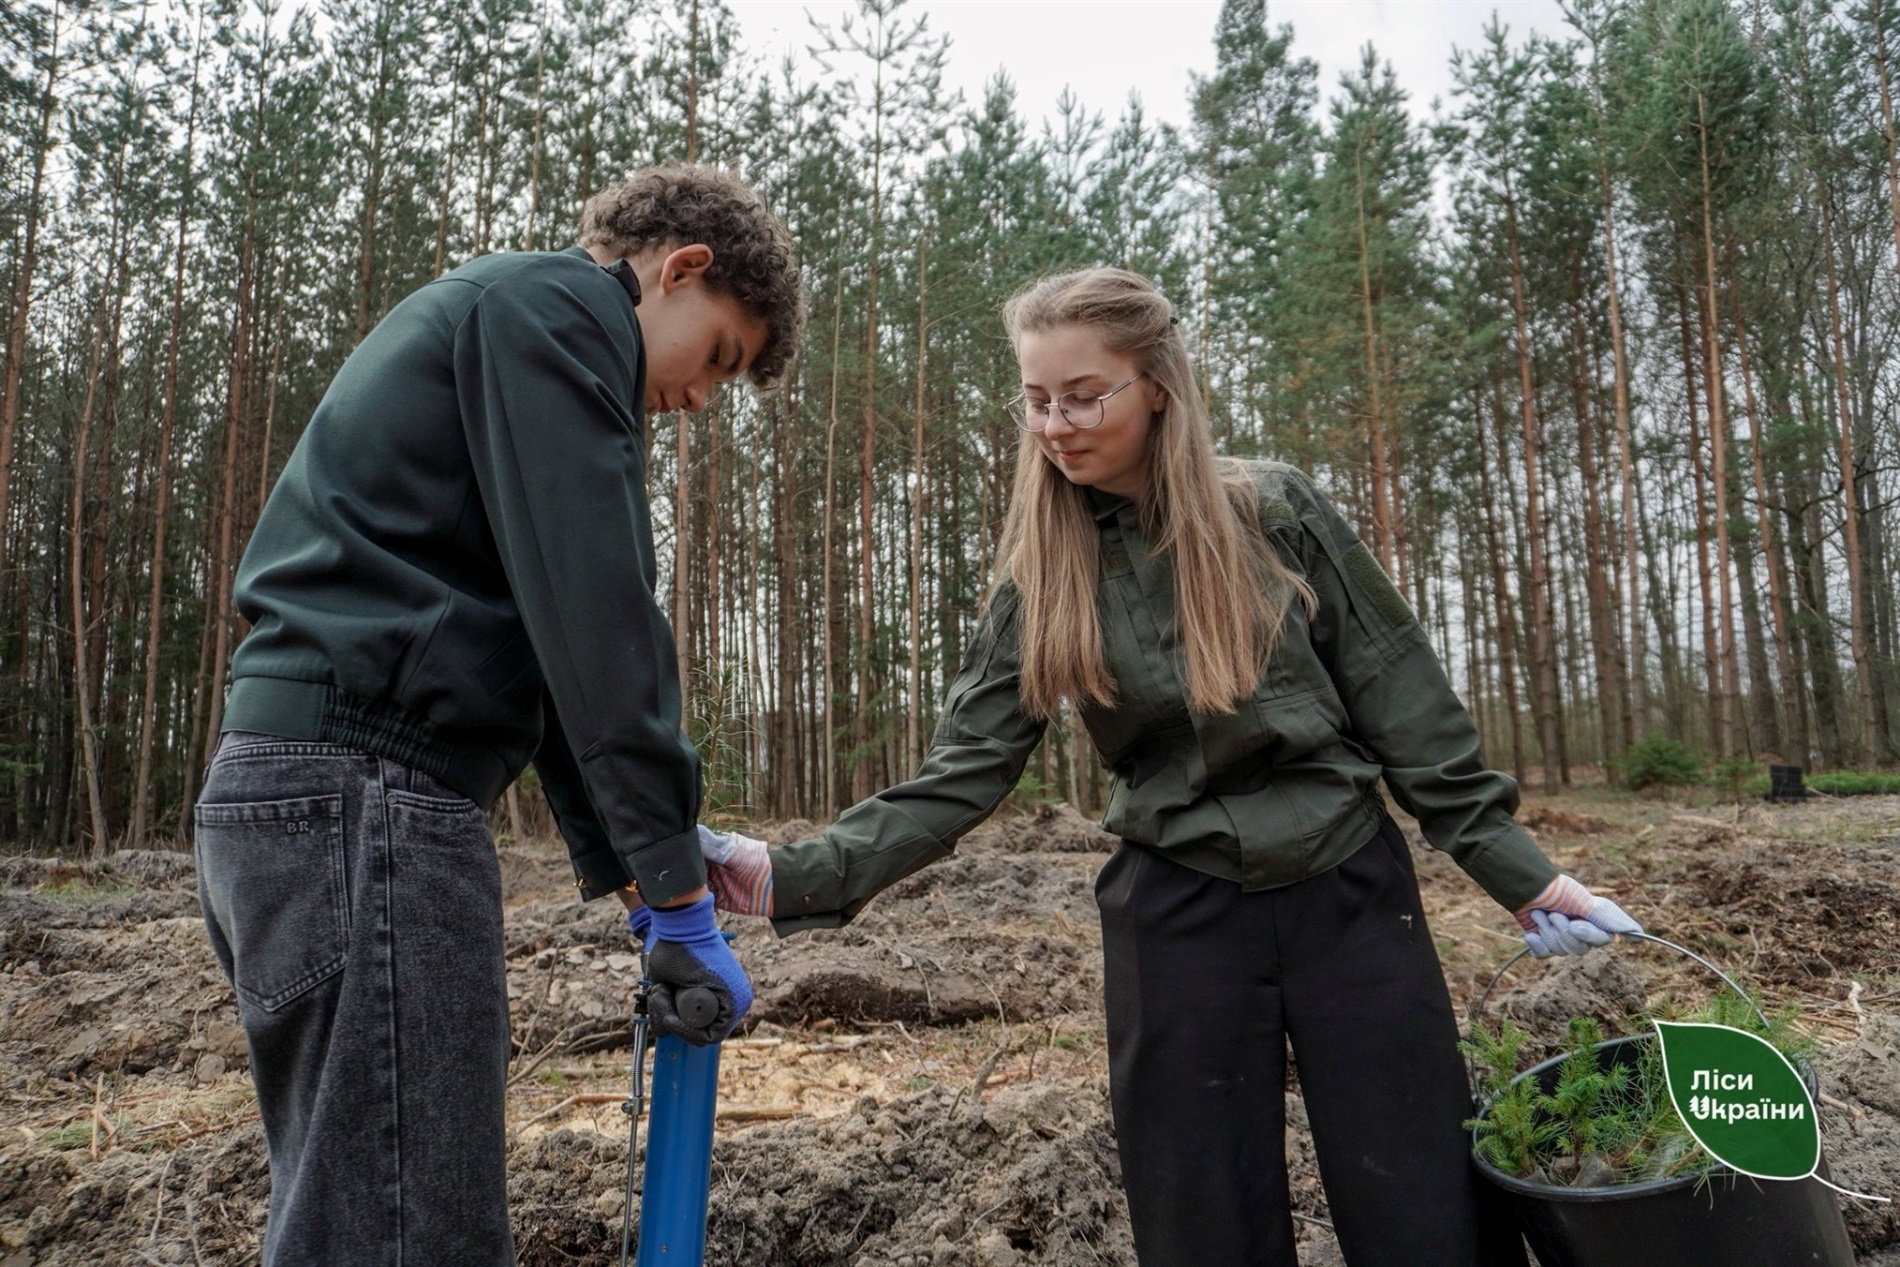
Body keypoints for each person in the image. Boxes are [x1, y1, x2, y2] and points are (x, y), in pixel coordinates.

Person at [694, 267, 1641, 1267]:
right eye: (1036, 400)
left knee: (1427, 1211)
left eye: (1082, 393)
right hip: (1176, 913)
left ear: (1157, 384)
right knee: (1199, 1223)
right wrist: (790, 872)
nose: (1055, 424)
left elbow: (1404, 703)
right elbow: (963, 771)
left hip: (1349, 894)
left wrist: (1522, 875)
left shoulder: (1272, 513)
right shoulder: (1040, 577)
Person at [193, 164, 803, 1267]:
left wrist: (651, 860)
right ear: (682, 269)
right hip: (364, 801)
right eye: (718, 353)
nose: (704, 398)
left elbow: (546, 645)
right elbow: (594, 611)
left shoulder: (502, 318)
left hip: (306, 799)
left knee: (355, 1213)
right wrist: (671, 888)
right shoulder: (558, 315)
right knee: (405, 1233)